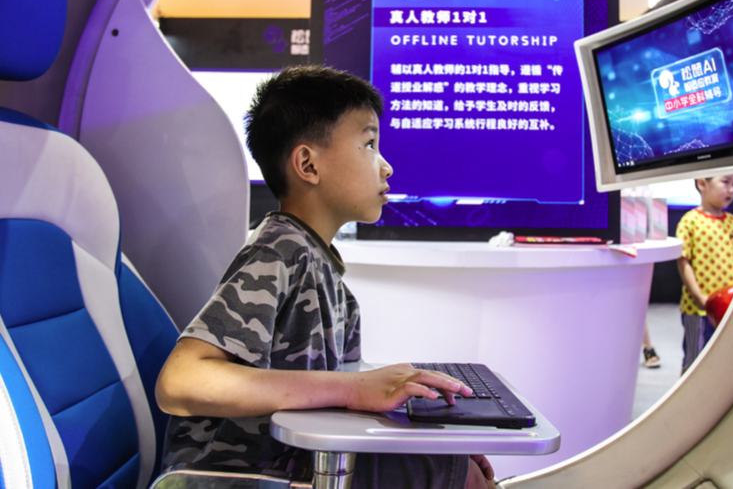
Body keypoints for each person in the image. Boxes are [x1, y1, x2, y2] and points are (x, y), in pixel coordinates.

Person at [156, 66, 496, 489]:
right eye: (369, 144)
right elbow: (180, 380)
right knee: (457, 476)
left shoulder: (330, 277)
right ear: (308, 164)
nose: (387, 167)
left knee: (453, 464)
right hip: (231, 478)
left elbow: (338, 399)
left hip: (293, 461)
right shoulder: (277, 251)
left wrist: (432, 438)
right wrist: (354, 389)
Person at [675, 175, 733, 375]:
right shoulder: (690, 221)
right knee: (693, 361)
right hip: (698, 311)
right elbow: (683, 261)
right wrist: (700, 298)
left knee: (727, 359)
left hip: (730, 309)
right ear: (702, 183)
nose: (731, 189)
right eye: (725, 182)